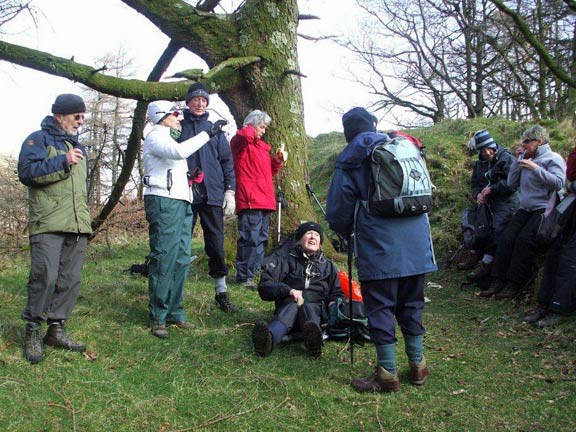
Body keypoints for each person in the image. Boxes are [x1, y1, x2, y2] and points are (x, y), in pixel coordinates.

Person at [326, 107, 437, 393]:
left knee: (381, 306)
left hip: (380, 244)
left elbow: (338, 212)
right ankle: (418, 366)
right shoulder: (402, 144)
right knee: (412, 303)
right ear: (373, 125)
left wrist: (343, 230)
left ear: (348, 131)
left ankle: (387, 374)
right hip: (418, 242)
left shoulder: (352, 156)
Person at [17, 94, 92, 364]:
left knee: (70, 280)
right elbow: (27, 172)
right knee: (45, 277)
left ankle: (56, 329)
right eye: (76, 116)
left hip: (77, 223)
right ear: (59, 116)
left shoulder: (79, 146)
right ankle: (34, 330)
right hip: (47, 222)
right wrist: (62, 161)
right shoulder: (38, 139)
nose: (80, 120)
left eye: (83, 116)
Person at [143, 100, 226, 338]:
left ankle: (175, 312)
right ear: (162, 116)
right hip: (164, 202)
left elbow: (174, 161)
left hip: (181, 201)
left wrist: (189, 177)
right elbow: (180, 152)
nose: (180, 118)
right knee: (164, 257)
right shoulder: (156, 136)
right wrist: (208, 133)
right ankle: (158, 316)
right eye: (175, 114)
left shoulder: (168, 138)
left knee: (181, 258)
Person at [483, 125, 566, 299]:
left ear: (540, 141)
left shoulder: (553, 158)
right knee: (506, 238)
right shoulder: (525, 158)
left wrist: (535, 168)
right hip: (524, 208)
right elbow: (512, 183)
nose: (524, 144)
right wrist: (517, 162)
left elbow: (558, 183)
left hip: (544, 209)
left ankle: (513, 285)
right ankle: (497, 281)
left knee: (524, 240)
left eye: (528, 141)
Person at [180, 83, 239, 313]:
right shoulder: (179, 127)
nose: (200, 104)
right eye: (196, 99)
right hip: (184, 193)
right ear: (188, 102)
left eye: (204, 101)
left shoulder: (216, 130)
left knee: (216, 244)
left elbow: (227, 162)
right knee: (181, 242)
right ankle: (177, 292)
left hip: (212, 194)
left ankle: (221, 292)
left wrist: (230, 190)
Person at [251, 222, 344, 358]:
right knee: (292, 306)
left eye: (317, 235)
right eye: (308, 233)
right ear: (299, 239)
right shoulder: (284, 260)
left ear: (320, 242)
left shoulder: (328, 266)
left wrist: (332, 304)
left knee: (308, 307)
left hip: (316, 313)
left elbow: (337, 293)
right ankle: (267, 342)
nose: (313, 237)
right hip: (288, 309)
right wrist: (288, 290)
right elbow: (265, 286)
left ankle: (314, 344)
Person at [230, 110, 286, 289]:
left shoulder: (261, 148)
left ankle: (253, 273)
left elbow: (268, 172)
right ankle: (243, 276)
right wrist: (251, 127)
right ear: (252, 125)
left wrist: (276, 161)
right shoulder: (241, 143)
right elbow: (242, 136)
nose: (264, 131)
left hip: (265, 199)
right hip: (250, 198)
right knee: (249, 238)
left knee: (261, 239)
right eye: (261, 127)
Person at [523, 142, 576, 327]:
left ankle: (559, 308)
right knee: (554, 252)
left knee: (569, 260)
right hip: (570, 207)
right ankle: (543, 304)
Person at [463, 130, 518, 283]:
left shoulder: (507, 159)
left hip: (506, 203)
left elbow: (512, 184)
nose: (487, 152)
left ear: (493, 145)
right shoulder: (479, 163)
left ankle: (487, 263)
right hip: (486, 203)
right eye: (482, 150)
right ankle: (475, 255)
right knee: (474, 223)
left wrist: (492, 189)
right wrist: (477, 195)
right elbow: (475, 183)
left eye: (489, 148)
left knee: (496, 230)